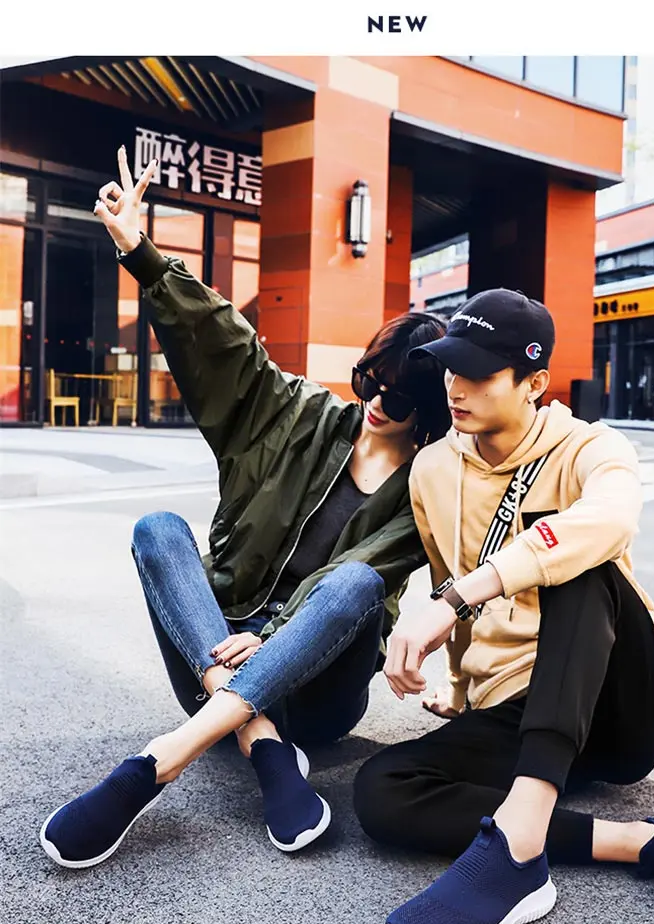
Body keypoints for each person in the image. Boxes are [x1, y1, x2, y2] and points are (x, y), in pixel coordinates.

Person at [39, 146, 450, 869]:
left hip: (320, 692)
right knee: (158, 530)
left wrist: (276, 636)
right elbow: (228, 346)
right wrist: (142, 254)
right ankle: (262, 743)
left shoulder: (429, 485)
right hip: (217, 651)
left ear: (432, 410)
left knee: (355, 583)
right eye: (372, 381)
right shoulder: (298, 414)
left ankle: (163, 759)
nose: (380, 403)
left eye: (402, 397)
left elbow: (364, 575)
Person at [353, 288, 654, 924]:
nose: (456, 387)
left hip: (620, 703)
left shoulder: (590, 447)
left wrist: (457, 599)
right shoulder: (433, 469)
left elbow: (609, 520)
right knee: (380, 790)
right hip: (519, 709)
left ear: (534, 383)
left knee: (574, 558)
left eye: (478, 373)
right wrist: (459, 685)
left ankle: (515, 855)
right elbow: (448, 571)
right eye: (450, 368)